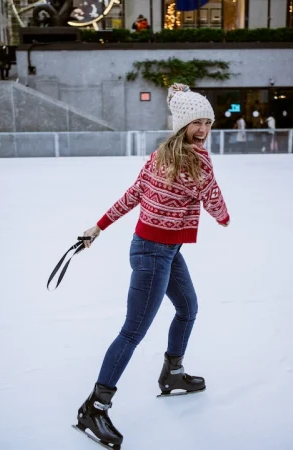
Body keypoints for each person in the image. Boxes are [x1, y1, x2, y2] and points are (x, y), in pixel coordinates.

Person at [76, 83, 230, 448]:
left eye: (208, 122)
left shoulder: (163, 154)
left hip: (165, 250)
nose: (204, 130)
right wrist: (98, 225)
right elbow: (211, 198)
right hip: (151, 253)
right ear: (182, 124)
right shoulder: (189, 158)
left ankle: (172, 374)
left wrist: (98, 227)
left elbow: (134, 194)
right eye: (197, 123)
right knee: (133, 332)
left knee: (188, 308)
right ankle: (94, 408)